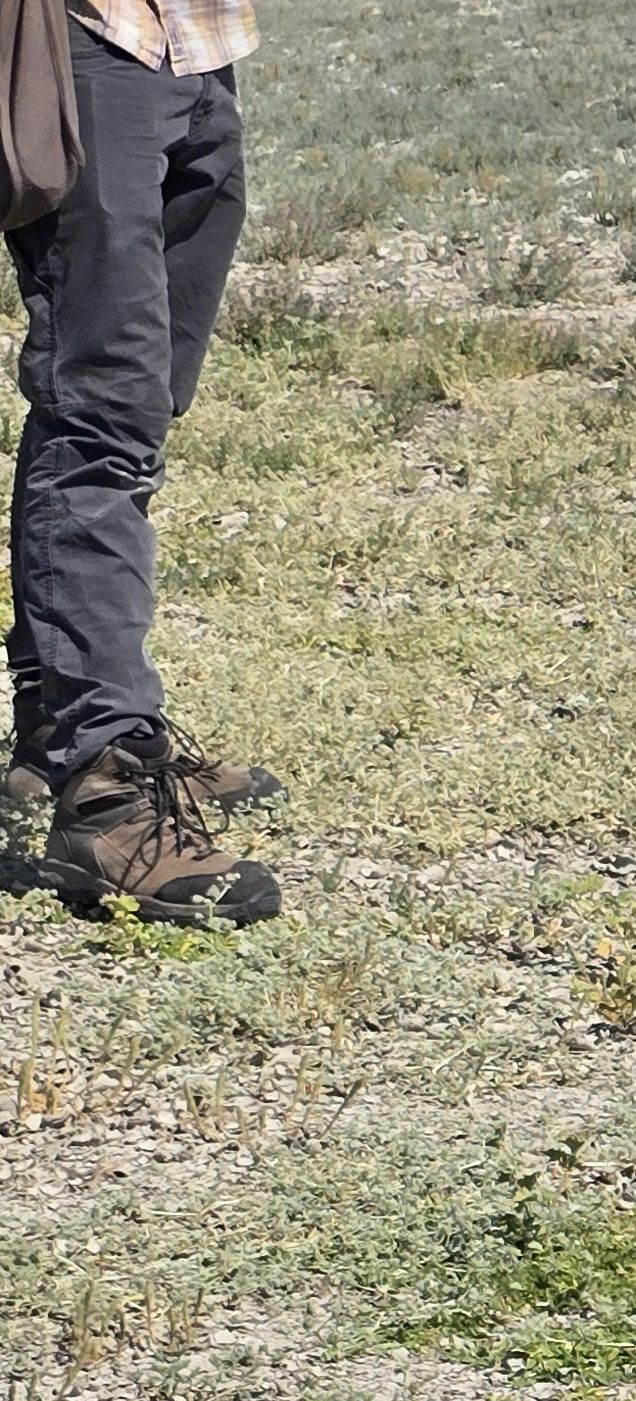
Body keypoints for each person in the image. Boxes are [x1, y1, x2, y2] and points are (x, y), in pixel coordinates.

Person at [0, 0, 280, 925]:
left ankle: (51, 722)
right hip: (82, 43)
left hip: (198, 42)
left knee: (139, 402)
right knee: (103, 411)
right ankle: (104, 783)